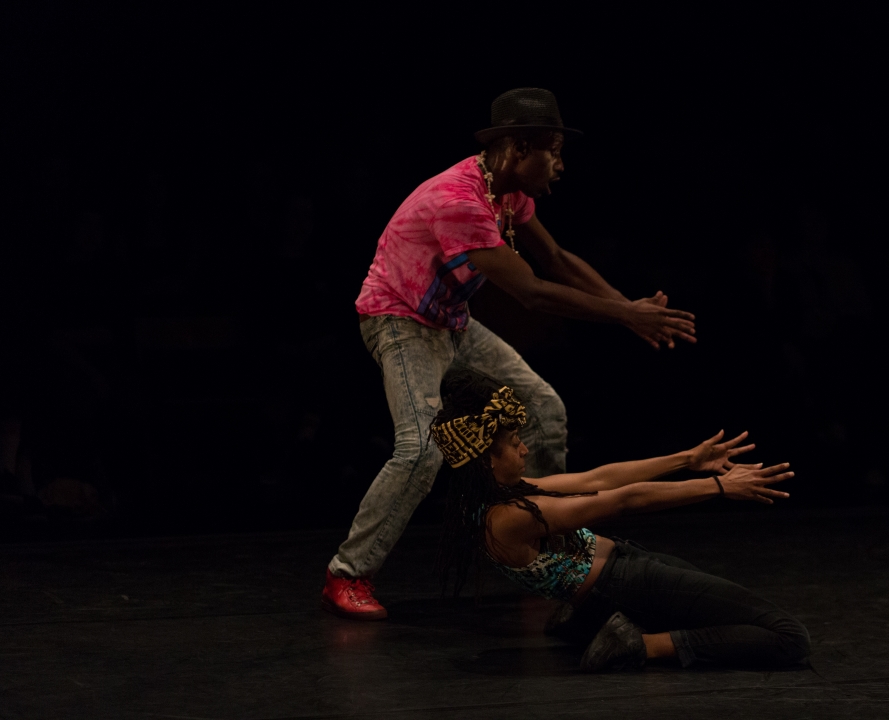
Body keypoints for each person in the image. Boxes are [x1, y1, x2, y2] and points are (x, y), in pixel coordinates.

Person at [322, 88, 698, 619]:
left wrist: (629, 309)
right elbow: (531, 292)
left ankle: (533, 542)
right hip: (399, 322)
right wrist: (625, 316)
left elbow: (556, 257)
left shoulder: (508, 193)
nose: (561, 165)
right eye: (554, 152)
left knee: (542, 410)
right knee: (421, 450)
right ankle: (349, 572)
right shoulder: (460, 201)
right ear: (519, 148)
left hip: (450, 322)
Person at [430, 376, 810, 672]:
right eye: (515, 443)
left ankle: (594, 623)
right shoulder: (507, 519)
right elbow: (624, 499)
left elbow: (597, 479)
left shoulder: (492, 498)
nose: (525, 449)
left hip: (626, 572)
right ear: (486, 462)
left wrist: (686, 459)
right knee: (789, 638)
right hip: (625, 585)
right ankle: (637, 644)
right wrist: (719, 487)